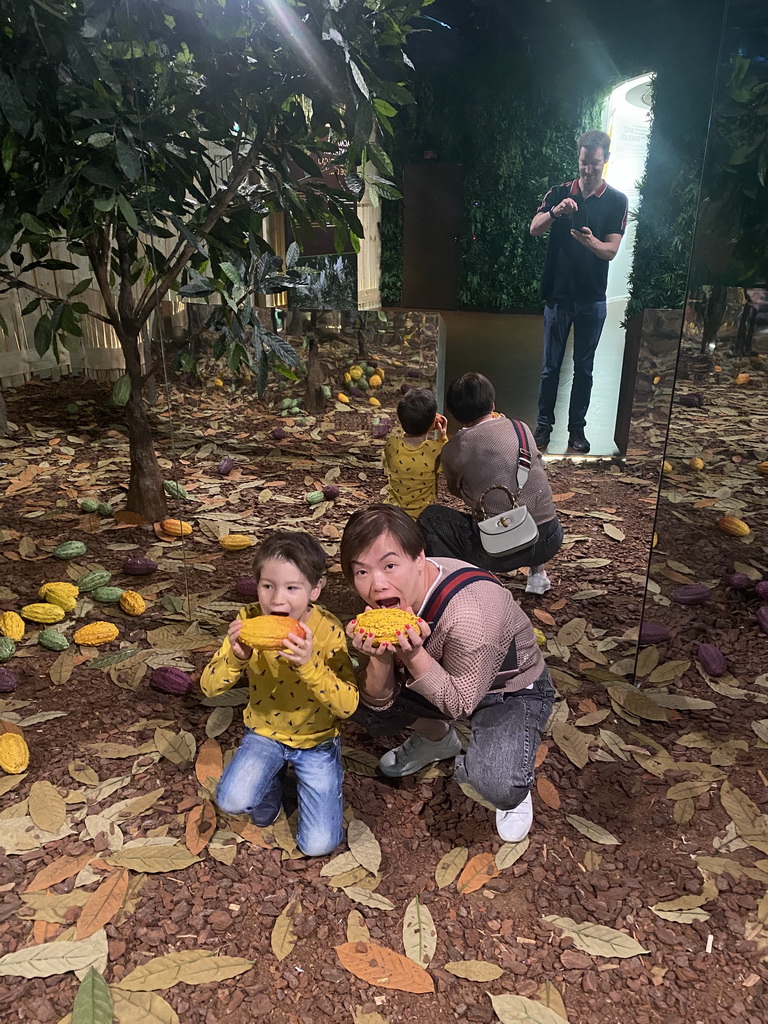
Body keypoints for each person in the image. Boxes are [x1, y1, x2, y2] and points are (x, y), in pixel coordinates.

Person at [341, 505, 556, 843]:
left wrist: (412, 653)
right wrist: (380, 658)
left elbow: (460, 703)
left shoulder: (471, 613)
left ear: (419, 559)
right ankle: (437, 739)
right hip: (438, 674)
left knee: (496, 783)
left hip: (507, 689)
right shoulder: (390, 604)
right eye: (362, 572)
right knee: (349, 698)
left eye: (390, 565)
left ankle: (507, 774)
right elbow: (377, 702)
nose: (376, 585)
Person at [200, 530, 357, 857]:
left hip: (316, 742)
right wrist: (236, 655)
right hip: (264, 733)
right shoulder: (247, 620)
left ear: (315, 590)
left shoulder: (328, 631)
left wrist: (309, 664)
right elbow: (209, 686)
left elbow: (348, 705)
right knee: (231, 800)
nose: (277, 600)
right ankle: (271, 784)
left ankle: (316, 785)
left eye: (292, 588)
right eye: (267, 586)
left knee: (317, 846)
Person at [418, 373, 562, 595]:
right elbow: (538, 468)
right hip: (549, 538)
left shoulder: (456, 448)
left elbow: (456, 490)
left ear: (454, 414)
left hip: (500, 549)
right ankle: (538, 575)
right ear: (492, 403)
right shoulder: (520, 427)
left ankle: (455, 584)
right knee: (527, 498)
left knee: (430, 516)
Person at [530, 129, 628, 454]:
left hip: (592, 299)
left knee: (584, 368)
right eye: (584, 163)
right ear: (579, 158)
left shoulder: (617, 201)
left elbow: (611, 250)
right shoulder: (558, 192)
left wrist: (591, 242)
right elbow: (533, 228)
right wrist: (555, 212)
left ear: (606, 161)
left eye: (595, 164)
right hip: (558, 296)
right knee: (550, 367)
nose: (588, 170)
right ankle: (543, 428)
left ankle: (577, 432)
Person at [382, 388, 448, 520]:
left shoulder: (391, 444)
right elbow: (448, 460)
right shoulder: (436, 450)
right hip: (423, 517)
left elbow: (387, 463)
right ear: (432, 423)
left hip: (394, 514)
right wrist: (442, 437)